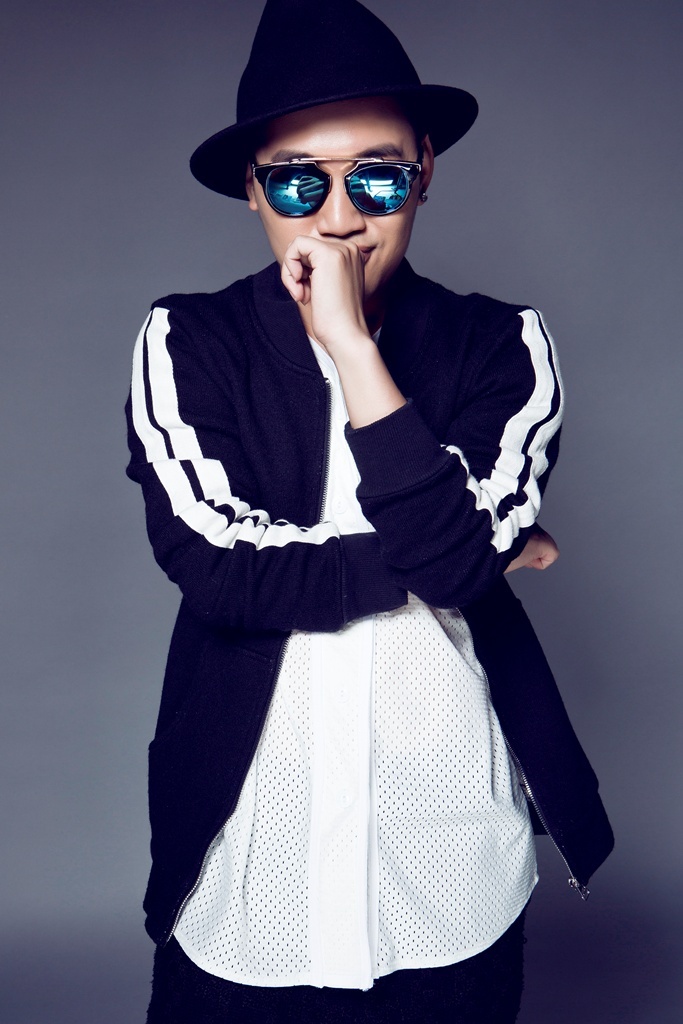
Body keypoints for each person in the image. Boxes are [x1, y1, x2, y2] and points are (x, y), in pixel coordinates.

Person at [125, 1, 614, 1020]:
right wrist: (469, 551)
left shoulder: (502, 346)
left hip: (447, 867)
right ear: (253, 190)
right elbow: (220, 568)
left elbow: (435, 563)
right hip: (248, 864)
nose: (338, 216)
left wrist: (351, 348)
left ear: (424, 172)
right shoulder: (185, 343)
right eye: (297, 179)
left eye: (376, 176)